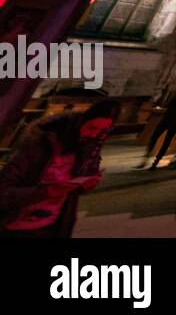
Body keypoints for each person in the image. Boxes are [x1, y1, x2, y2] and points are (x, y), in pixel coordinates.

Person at [0, 99, 119, 237]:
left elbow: (75, 185)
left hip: (54, 222)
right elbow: (4, 191)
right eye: (92, 128)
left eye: (100, 131)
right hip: (17, 223)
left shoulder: (88, 149)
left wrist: (87, 184)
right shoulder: (37, 145)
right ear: (81, 122)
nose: (93, 134)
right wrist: (47, 192)